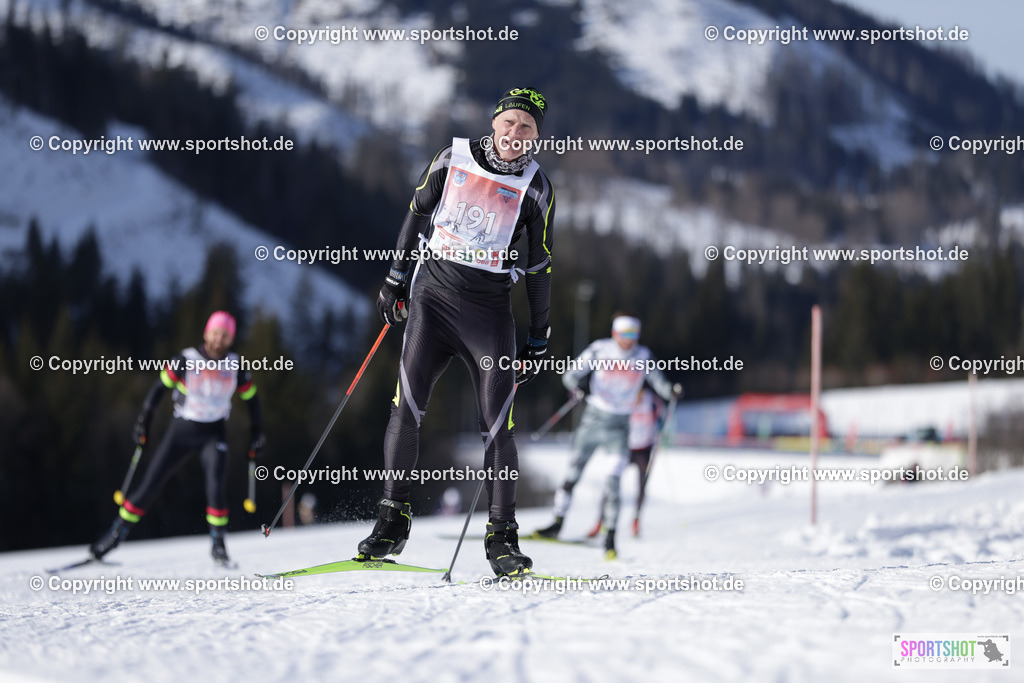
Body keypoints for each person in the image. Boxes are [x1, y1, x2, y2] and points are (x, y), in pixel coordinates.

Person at [359, 87, 556, 577]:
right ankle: (392, 519)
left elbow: (539, 267)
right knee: (406, 407)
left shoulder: (537, 188)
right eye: (509, 122)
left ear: (536, 137)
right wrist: (394, 278)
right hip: (432, 302)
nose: (516, 133)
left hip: (489, 316)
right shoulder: (453, 157)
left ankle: (501, 539)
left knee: (497, 425)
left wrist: (540, 337)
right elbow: (416, 211)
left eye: (527, 127)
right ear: (495, 123)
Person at [88, 311, 265, 565]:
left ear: (231, 338)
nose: (218, 339)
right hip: (182, 431)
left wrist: (257, 433)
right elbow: (158, 390)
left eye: (225, 335)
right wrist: (143, 422)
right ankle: (114, 536)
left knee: (215, 487)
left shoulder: (236, 365)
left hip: (213, 433)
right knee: (149, 485)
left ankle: (218, 546)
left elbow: (252, 400)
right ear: (206, 333)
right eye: (215, 332)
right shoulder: (186, 359)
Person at [533, 313, 680, 559]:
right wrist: (576, 388)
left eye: (633, 335)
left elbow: (660, 383)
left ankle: (610, 538)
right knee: (572, 473)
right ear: (614, 334)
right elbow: (570, 375)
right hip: (593, 420)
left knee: (613, 482)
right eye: (624, 335)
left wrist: (671, 391)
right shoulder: (599, 350)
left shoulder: (643, 357)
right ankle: (556, 523)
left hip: (620, 427)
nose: (628, 341)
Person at [586, 388, 667, 540]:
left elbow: (661, 416)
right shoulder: (622, 395)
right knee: (611, 484)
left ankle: (636, 520)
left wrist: (661, 430)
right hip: (624, 447)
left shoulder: (651, 400)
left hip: (643, 449)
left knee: (642, 486)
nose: (637, 396)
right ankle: (600, 521)